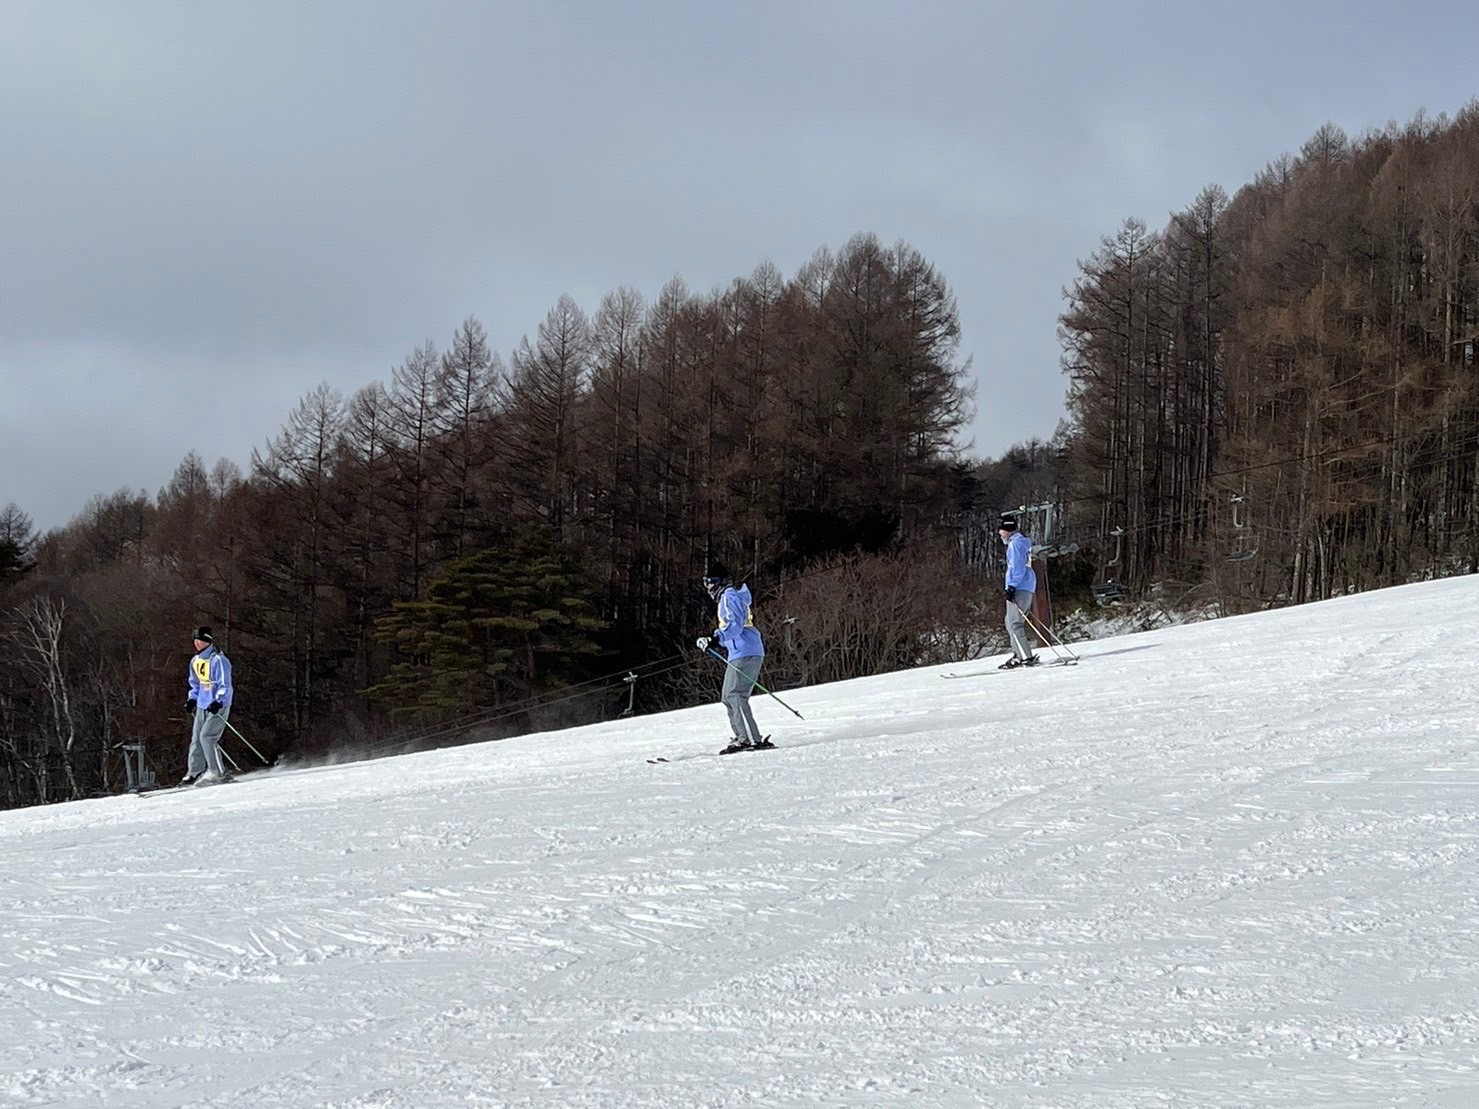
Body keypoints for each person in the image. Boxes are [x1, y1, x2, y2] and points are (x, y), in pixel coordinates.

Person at [695, 563, 772, 754]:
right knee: (733, 696)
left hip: (744, 653)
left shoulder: (728, 597)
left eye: (710, 583)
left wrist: (714, 639)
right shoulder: (733, 597)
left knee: (733, 695)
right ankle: (747, 737)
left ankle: (746, 739)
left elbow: (734, 627)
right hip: (745, 651)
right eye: (706, 583)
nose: (708, 588)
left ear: (720, 582)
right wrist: (714, 640)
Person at [182, 625, 234, 785]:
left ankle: (217, 772)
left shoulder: (218, 660)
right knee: (197, 738)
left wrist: (219, 700)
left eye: (200, 641)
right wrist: (192, 699)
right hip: (203, 705)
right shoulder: (195, 661)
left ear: (208, 641)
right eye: (195, 641)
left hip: (218, 705)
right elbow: (195, 684)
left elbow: (225, 684)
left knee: (207, 737)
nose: (197, 644)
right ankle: (194, 771)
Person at [997, 516, 1039, 669]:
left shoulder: (1015, 545)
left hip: (1020, 587)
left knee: (1014, 623)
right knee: (1011, 621)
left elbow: (1016, 567)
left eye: (1001, 530)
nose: (999, 533)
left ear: (1007, 530)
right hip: (1026, 586)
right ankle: (1020, 654)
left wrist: (1012, 586)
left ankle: (1024, 657)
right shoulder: (1021, 543)